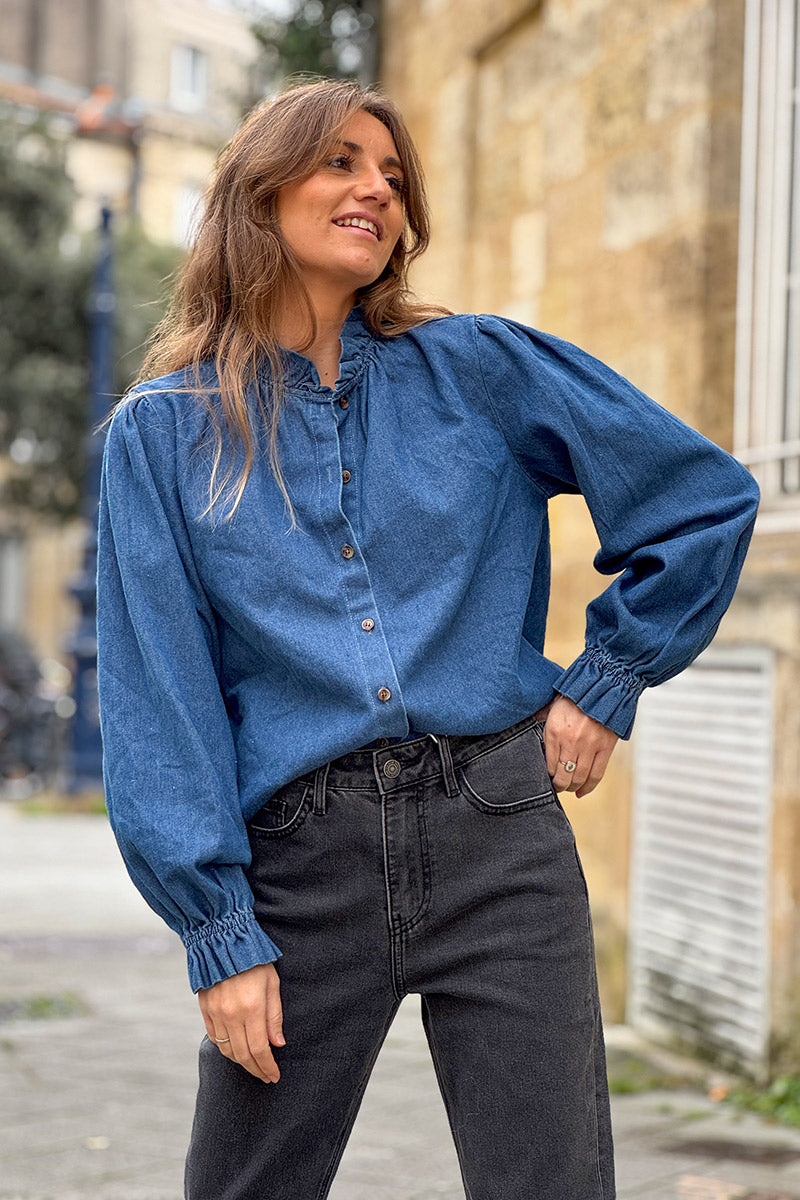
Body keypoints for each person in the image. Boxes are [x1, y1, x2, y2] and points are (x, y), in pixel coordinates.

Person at [96, 78, 759, 1200]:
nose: (376, 192)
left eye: (393, 178)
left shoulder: (481, 369)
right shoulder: (161, 438)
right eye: (343, 163)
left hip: (499, 835)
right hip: (298, 868)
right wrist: (218, 932)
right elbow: (162, 699)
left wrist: (605, 680)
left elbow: (699, 500)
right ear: (260, 190)